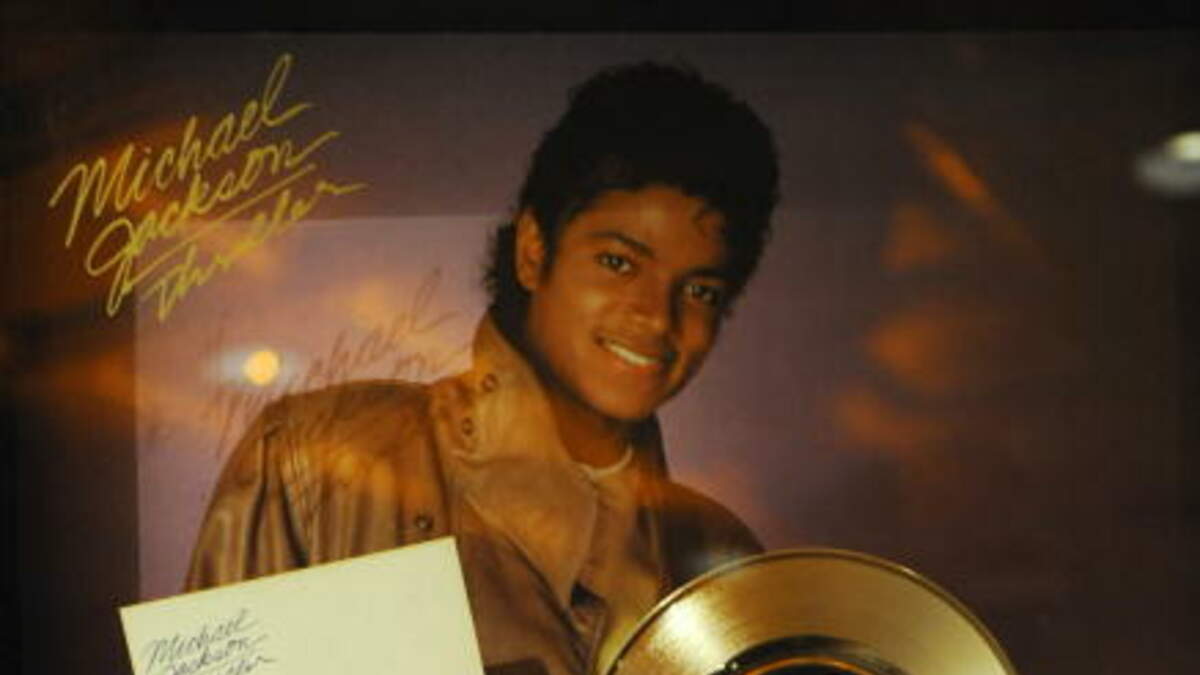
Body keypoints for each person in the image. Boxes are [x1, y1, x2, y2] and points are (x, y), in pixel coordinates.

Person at [185, 61, 780, 675]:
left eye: (701, 291)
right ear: (533, 251)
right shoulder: (309, 459)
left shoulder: (724, 557)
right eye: (618, 262)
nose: (656, 316)